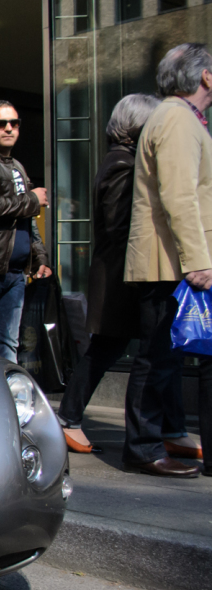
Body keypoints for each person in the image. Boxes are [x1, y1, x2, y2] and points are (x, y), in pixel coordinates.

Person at [59, 95, 186, 455]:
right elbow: (118, 226)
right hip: (122, 276)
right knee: (117, 348)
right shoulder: (122, 164)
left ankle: (172, 429)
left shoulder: (125, 161)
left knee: (157, 348)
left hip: (127, 274)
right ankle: (69, 419)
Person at [121, 43, 212, 478]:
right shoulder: (177, 119)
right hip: (169, 262)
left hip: (172, 260)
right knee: (157, 358)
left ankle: (155, 440)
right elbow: (181, 196)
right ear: (206, 77)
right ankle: (142, 447)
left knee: (166, 358)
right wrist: (198, 260)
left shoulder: (179, 118)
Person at [0, 100, 52, 361]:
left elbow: (27, 218)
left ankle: (7, 400)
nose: (8, 129)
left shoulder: (17, 166)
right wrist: (32, 200)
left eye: (14, 123)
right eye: (0, 123)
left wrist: (39, 256)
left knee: (7, 344)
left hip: (15, 273)